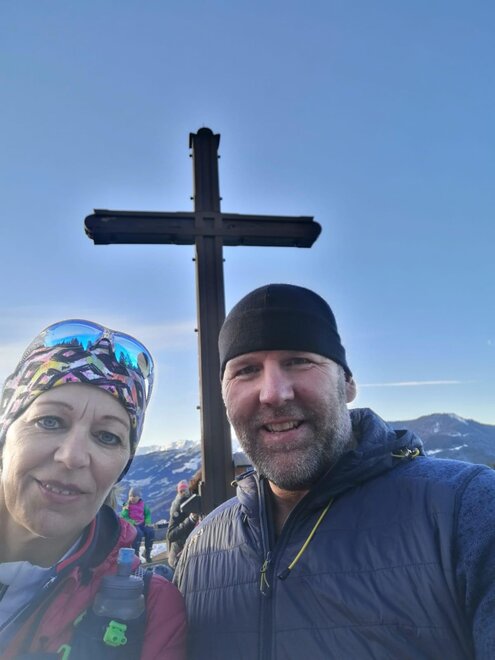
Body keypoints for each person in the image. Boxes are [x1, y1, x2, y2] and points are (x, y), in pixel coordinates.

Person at [174, 283, 495, 659]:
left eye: (298, 361)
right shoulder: (202, 547)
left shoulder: (468, 510)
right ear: (224, 396)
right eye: (246, 370)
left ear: (348, 383)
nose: (273, 393)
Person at [0, 319, 186, 659]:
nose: (72, 457)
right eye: (50, 421)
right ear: (6, 434)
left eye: (107, 437)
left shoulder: (150, 609)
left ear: (122, 467)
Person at [167, 480, 199, 570]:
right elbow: (171, 535)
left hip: (191, 550)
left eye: (185, 490)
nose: (184, 493)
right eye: (181, 491)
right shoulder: (177, 507)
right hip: (178, 554)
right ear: (178, 492)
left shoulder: (195, 500)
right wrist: (190, 520)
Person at [121, 485, 155, 562]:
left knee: (150, 532)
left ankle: (147, 553)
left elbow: (147, 514)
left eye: (134, 496)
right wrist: (132, 522)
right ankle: (136, 556)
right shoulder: (127, 506)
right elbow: (123, 517)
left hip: (142, 523)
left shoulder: (143, 505)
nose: (132, 498)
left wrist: (147, 522)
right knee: (138, 533)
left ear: (139, 497)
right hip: (132, 525)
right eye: (130, 496)